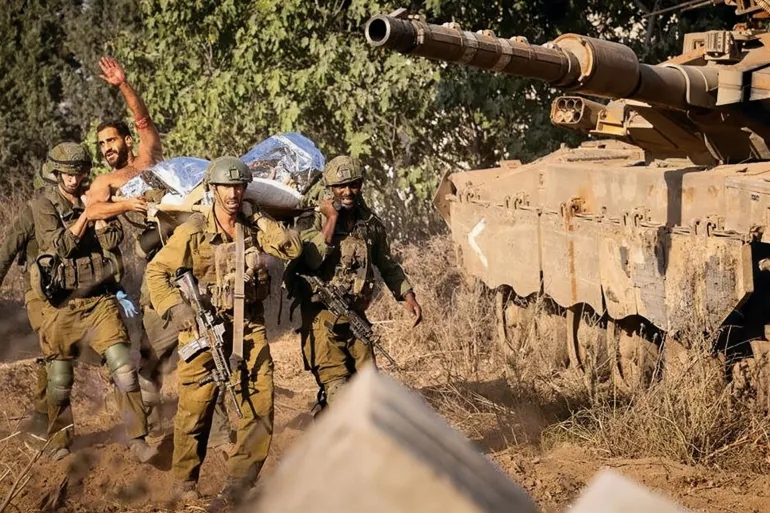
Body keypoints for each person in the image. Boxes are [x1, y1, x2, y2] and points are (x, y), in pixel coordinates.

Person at [146, 156, 302, 503]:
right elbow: (157, 272)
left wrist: (258, 216)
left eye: (239, 187)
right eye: (226, 187)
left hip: (249, 327)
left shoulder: (253, 226)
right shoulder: (193, 230)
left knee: (259, 402)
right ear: (212, 189)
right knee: (195, 409)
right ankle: (185, 482)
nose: (233, 194)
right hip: (203, 329)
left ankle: (239, 482)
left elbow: (292, 248)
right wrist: (177, 308)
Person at [29, 142, 156, 463]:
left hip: (99, 299)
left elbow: (113, 242)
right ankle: (59, 440)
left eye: (79, 173)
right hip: (61, 304)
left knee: (124, 368)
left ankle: (138, 437)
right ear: (57, 173)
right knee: (59, 380)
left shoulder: (97, 198)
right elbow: (59, 247)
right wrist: (86, 216)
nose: (73, 180)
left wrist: (102, 216)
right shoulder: (45, 205)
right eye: (67, 174)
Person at [286, 156, 422, 412]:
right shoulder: (311, 219)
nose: (347, 191)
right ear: (330, 188)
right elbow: (311, 261)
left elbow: (386, 262)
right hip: (321, 319)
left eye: (354, 185)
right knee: (338, 389)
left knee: (368, 387)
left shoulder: (368, 223)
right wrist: (331, 219)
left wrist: (407, 294)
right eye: (340, 186)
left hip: (354, 315)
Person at [0, 183, 51, 437]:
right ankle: (43, 419)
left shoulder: (78, 210)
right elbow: (6, 253)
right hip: (38, 293)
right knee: (54, 351)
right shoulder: (32, 213)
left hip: (73, 294)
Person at [85, 56, 163, 218]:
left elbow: (143, 120)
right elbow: (92, 212)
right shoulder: (105, 181)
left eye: (111, 140)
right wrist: (126, 205)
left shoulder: (148, 156)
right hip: (150, 230)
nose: (106, 148)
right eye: (102, 144)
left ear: (128, 140)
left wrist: (122, 84)